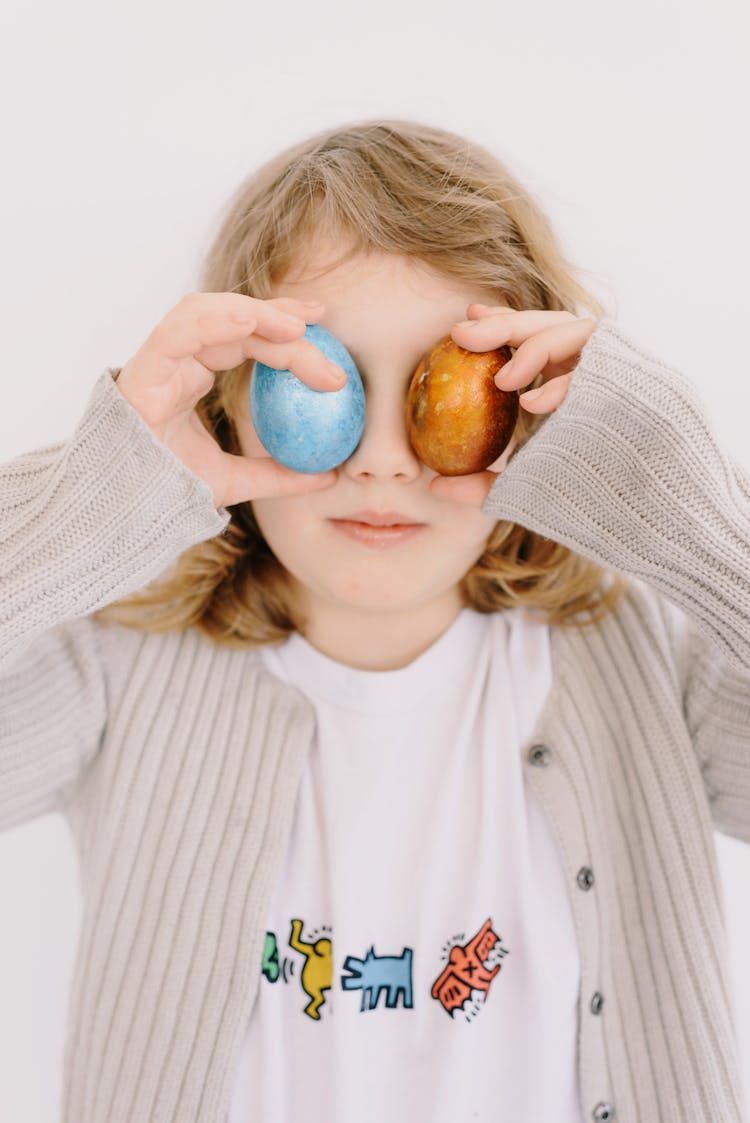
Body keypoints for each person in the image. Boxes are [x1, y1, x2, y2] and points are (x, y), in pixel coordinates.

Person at [1, 119, 748, 1123]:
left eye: (451, 387)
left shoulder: (655, 666)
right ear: (231, 398)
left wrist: (696, 522)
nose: (386, 459)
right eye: (324, 377)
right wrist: (92, 508)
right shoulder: (114, 667)